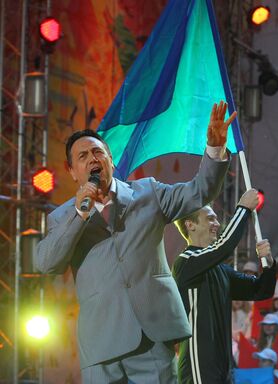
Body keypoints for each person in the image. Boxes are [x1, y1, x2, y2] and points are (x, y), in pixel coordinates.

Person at [35, 102, 234, 383]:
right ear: (72, 170)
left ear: (110, 160)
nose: (92, 159)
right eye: (83, 156)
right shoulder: (63, 217)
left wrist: (214, 150)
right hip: (101, 345)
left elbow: (199, 191)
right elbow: (46, 263)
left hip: (151, 337)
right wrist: (80, 215)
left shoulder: (148, 193)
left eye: (97, 152)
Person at [172, 189, 277, 383]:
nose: (217, 224)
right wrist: (243, 208)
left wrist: (269, 264)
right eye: (210, 219)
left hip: (224, 367)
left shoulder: (221, 269)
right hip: (199, 364)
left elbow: (262, 290)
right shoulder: (186, 262)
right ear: (190, 225)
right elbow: (224, 246)